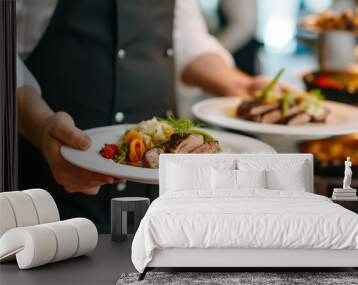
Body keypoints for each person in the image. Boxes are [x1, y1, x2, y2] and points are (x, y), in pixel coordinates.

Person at [16, 0, 268, 232]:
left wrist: (241, 86)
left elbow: (186, 39)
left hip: (158, 193)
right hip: (51, 187)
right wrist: (39, 125)